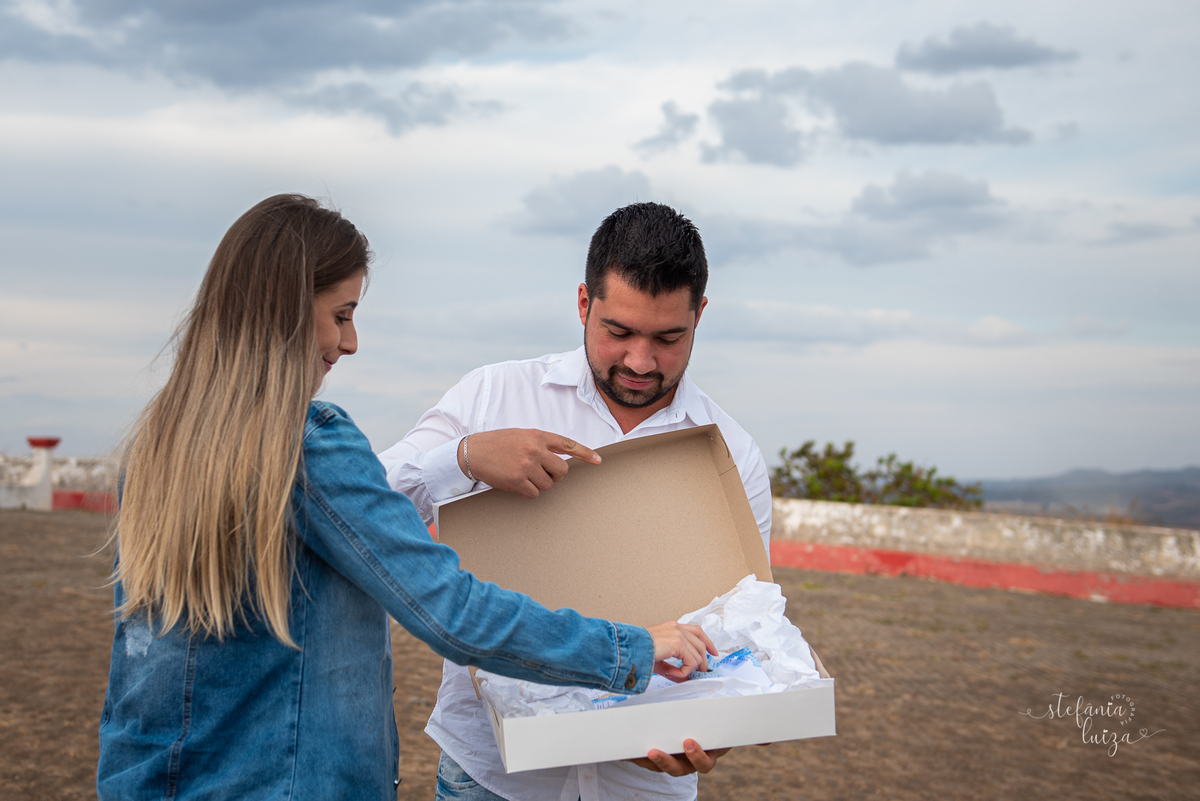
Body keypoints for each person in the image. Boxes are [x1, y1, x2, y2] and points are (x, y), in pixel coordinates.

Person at [95, 194, 717, 801]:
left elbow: (140, 675)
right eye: (342, 314)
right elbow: (452, 610)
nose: (350, 341)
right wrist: (632, 647)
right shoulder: (309, 446)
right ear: (284, 312)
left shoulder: (159, 444)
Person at [379, 201, 773, 801]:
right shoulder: (493, 395)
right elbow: (366, 507)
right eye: (619, 332)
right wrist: (462, 457)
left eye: (669, 338)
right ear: (584, 303)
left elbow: (743, 620)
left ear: (700, 315)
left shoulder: (733, 452)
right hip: (491, 776)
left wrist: (716, 725)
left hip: (641, 786)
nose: (640, 361)